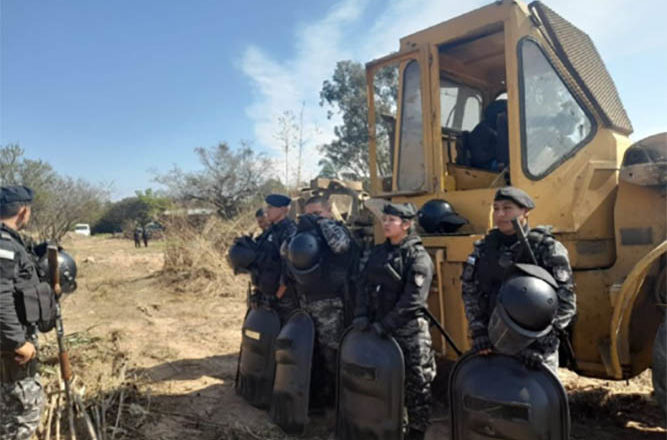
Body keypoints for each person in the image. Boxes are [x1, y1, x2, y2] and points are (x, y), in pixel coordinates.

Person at [461, 186, 576, 373]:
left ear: (525, 212)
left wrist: (540, 345)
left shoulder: (546, 248)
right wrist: (479, 331)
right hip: (494, 341)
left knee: (539, 398)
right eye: (496, 208)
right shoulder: (484, 248)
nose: (500, 214)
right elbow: (470, 291)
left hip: (535, 346)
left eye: (507, 208)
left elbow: (565, 303)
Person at [353, 202, 436, 440]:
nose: (386, 224)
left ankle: (416, 433)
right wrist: (361, 314)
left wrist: (385, 325)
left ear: (407, 225)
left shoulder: (418, 257)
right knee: (384, 383)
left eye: (392, 220)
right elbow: (363, 284)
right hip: (380, 330)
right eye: (385, 219)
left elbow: (413, 300)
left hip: (409, 331)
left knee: (417, 384)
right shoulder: (378, 253)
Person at [283, 196, 359, 409]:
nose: (313, 218)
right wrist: (300, 230)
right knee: (311, 352)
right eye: (309, 214)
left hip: (331, 304)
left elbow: (341, 246)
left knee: (332, 355)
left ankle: (340, 403)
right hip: (307, 302)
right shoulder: (304, 233)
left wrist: (322, 223)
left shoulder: (336, 229)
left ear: (328, 211)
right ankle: (319, 398)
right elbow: (285, 252)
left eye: (317, 213)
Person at [0, 186, 55, 440]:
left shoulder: (10, 242)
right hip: (11, 350)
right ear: (23, 211)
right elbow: (1, 296)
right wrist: (17, 342)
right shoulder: (4, 246)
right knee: (22, 416)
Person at [250, 194, 298, 323]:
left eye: (271, 207)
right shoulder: (269, 232)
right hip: (265, 295)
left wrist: (277, 297)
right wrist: (257, 292)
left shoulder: (290, 231)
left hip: (283, 299)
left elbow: (288, 270)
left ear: (283, 209)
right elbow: (262, 264)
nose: (266, 211)